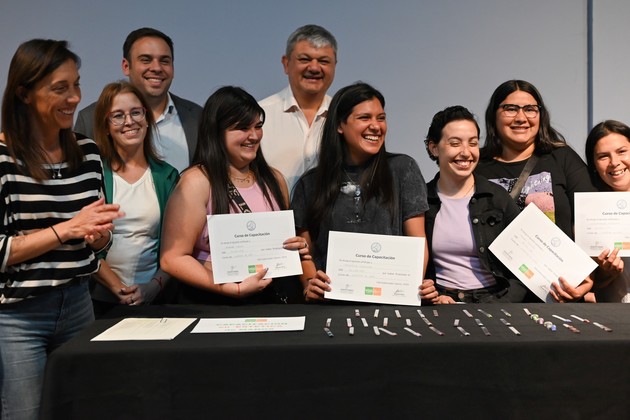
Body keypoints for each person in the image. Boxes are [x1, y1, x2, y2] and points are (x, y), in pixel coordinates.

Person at [0, 39, 123, 419]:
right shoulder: (3, 159)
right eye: (60, 88)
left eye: (76, 85)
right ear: (24, 93)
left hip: (79, 304)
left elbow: (98, 238)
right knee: (27, 413)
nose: (74, 98)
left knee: (84, 409)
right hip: (18, 316)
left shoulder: (88, 153)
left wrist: (98, 237)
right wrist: (68, 229)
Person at [160, 86, 307, 304]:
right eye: (243, 128)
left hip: (269, 299)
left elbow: (281, 244)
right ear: (216, 132)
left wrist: (295, 247)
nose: (254, 136)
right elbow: (172, 258)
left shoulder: (274, 179)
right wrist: (230, 289)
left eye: (258, 126)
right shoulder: (197, 181)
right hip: (212, 301)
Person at [291, 82, 436, 303]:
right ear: (340, 125)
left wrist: (411, 286)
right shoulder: (310, 182)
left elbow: (418, 241)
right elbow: (304, 251)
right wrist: (309, 284)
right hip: (330, 305)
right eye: (364, 118)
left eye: (381, 118)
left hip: (391, 303)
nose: (376, 126)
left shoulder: (403, 168)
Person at [475, 79, 596, 302]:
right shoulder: (477, 167)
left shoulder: (562, 157)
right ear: (494, 115)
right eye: (510, 109)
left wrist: (586, 276)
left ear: (541, 115)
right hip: (496, 294)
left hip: (557, 292)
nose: (521, 117)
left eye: (530, 109)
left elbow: (589, 220)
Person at [90, 81, 179, 316]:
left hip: (157, 299)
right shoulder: (93, 175)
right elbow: (83, 244)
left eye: (136, 112)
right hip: (99, 301)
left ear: (147, 118)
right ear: (106, 126)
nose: (129, 121)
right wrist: (118, 288)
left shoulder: (167, 177)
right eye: (118, 116)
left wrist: (152, 288)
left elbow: (178, 246)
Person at [423, 106, 528, 303]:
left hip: (494, 301)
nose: (466, 152)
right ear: (434, 148)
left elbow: (526, 263)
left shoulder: (496, 197)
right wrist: (430, 296)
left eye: (473, 143)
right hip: (442, 302)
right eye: (455, 143)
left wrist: (502, 305)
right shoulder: (421, 201)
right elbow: (409, 269)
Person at [75, 27, 202, 173]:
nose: (157, 68)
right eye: (146, 60)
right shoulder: (90, 119)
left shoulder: (197, 117)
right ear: (126, 66)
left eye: (165, 61)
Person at [259, 24, 337, 193]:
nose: (314, 68)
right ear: (286, 64)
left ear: (335, 66)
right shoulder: (259, 116)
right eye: (305, 59)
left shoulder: (345, 117)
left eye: (324, 61)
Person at [584, 120, 630, 302]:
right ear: (594, 165)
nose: (614, 162)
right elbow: (591, 285)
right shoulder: (588, 215)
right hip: (615, 314)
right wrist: (606, 272)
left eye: (622, 151)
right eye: (603, 156)